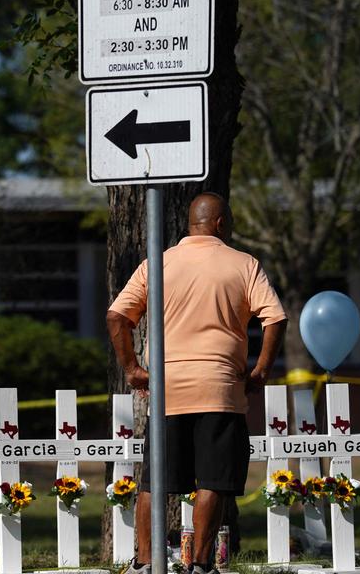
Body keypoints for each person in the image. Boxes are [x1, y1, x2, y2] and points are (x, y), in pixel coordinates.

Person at [107, 193, 286, 574]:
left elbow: (117, 317)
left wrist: (133, 368)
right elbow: (276, 318)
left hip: (169, 388)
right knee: (214, 480)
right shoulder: (244, 264)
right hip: (220, 387)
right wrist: (260, 371)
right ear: (220, 223)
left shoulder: (158, 263)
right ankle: (201, 566)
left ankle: (144, 562)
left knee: (154, 481)